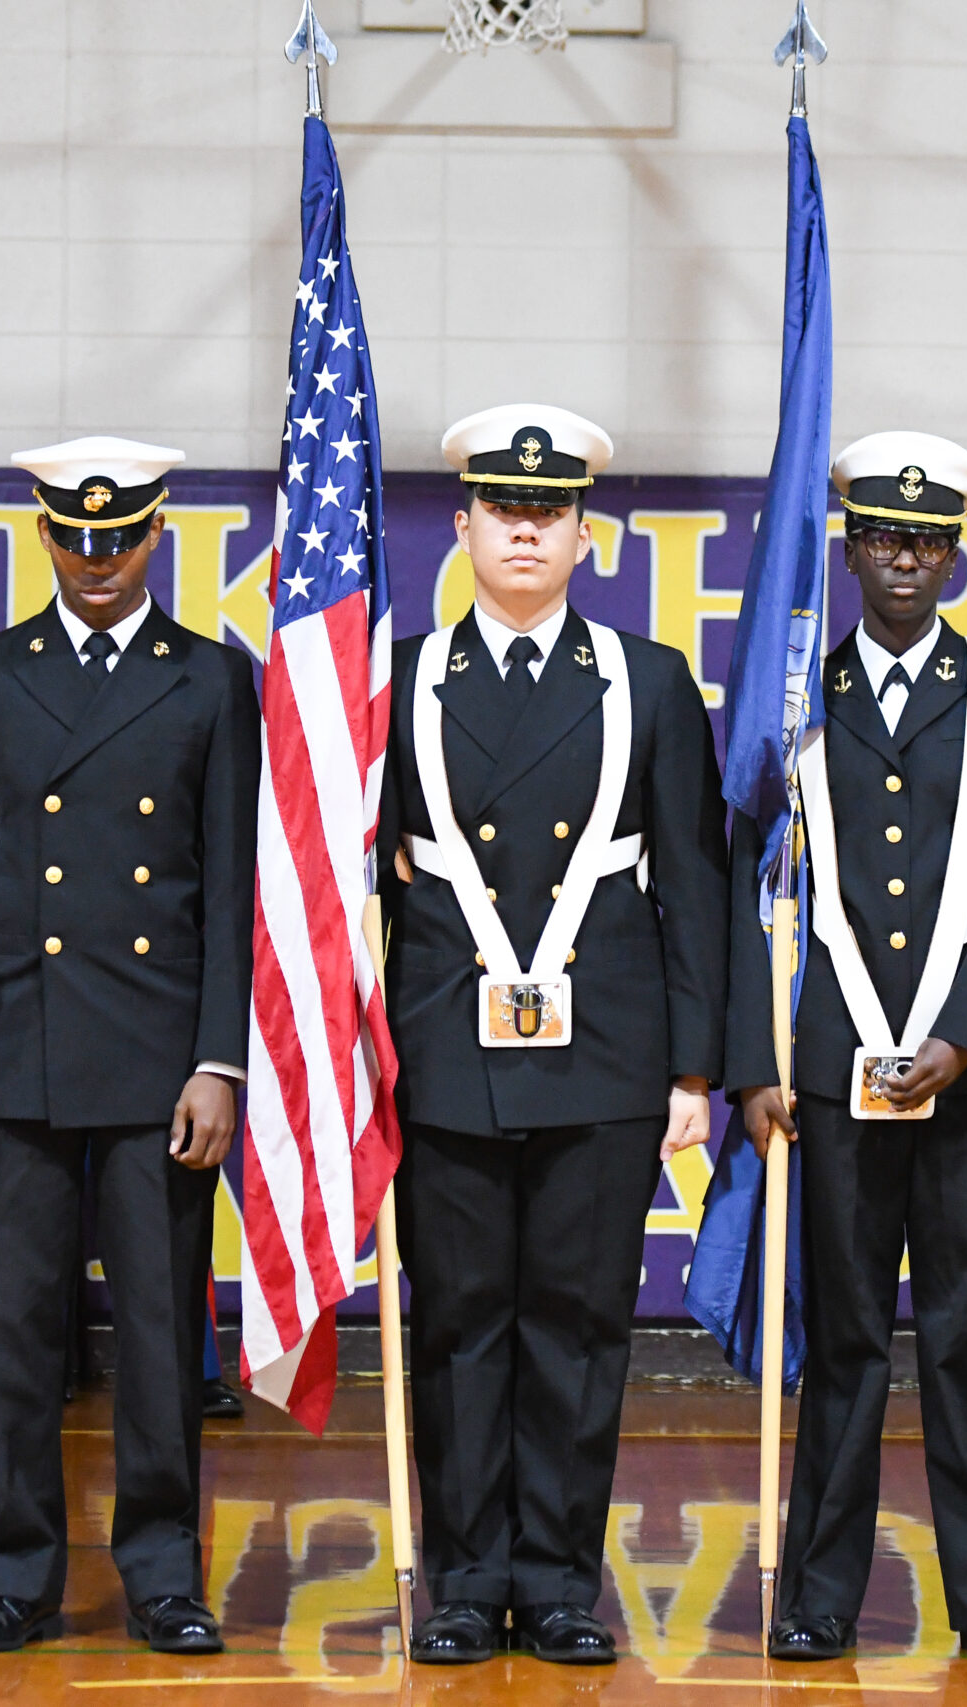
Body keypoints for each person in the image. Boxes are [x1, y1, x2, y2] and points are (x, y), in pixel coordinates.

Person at [381, 404, 728, 1667]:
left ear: (588, 534)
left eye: (550, 514)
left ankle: (563, 1583)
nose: (525, 532)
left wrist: (696, 1064)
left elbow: (692, 875)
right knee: (463, 1320)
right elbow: (359, 879)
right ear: (464, 524)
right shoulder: (404, 675)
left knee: (581, 1325)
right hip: (443, 1042)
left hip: (607, 1051)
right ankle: (470, 1580)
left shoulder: (645, 679)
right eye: (503, 512)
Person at [0, 437, 258, 1657]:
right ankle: (17, 1573)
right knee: (16, 1328)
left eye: (120, 540)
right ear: (44, 538)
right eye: (76, 538)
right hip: (23, 1048)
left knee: (161, 1332)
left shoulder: (212, 679)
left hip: (161, 1059)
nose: (99, 561)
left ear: (157, 538)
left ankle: (164, 1572)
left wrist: (221, 1059)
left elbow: (229, 890)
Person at [726, 434, 967, 1665]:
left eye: (926, 540)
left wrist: (966, 1035)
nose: (904, 558)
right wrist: (753, 1062)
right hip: (833, 1071)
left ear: (955, 553)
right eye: (881, 537)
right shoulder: (796, 694)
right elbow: (744, 880)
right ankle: (819, 1594)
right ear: (853, 549)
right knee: (849, 1341)